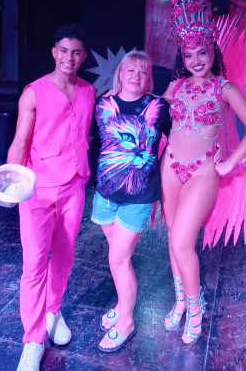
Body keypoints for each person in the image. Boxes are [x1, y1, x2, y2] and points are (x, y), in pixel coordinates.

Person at [160, 0, 246, 345]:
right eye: (188, 54)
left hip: (203, 171)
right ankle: (180, 300)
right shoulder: (175, 86)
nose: (195, 60)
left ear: (212, 51)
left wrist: (231, 162)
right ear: (183, 57)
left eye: (201, 52)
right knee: (171, 238)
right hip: (170, 167)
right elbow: (152, 115)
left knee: (182, 242)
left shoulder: (225, 88)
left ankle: (196, 307)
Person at [7, 24, 95, 371]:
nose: (69, 58)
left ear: (83, 56)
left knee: (64, 258)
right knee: (34, 265)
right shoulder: (33, 92)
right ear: (54, 52)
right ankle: (32, 340)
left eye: (76, 52)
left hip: (74, 186)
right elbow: (19, 143)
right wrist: (12, 183)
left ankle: (52, 312)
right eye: (64, 50)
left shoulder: (88, 91)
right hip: (38, 189)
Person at [91, 50, 171, 353]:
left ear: (148, 78)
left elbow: (179, 138)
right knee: (118, 258)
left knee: (118, 259)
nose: (136, 76)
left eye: (142, 71)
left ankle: (126, 322)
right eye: (130, 70)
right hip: (106, 194)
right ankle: (122, 304)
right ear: (120, 74)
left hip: (138, 197)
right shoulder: (103, 105)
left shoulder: (158, 107)